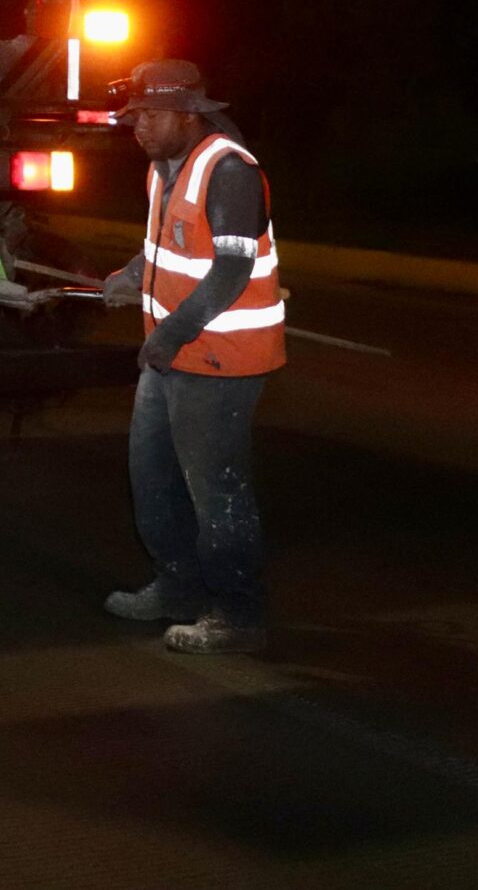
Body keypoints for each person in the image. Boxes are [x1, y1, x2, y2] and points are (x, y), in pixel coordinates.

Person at [97, 58, 285, 655]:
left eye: (151, 116)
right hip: (172, 354)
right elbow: (167, 245)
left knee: (217, 492)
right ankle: (178, 588)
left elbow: (231, 270)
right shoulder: (163, 169)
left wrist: (171, 333)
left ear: (188, 115)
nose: (139, 127)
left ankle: (237, 614)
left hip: (220, 359)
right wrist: (131, 274)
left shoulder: (229, 172)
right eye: (135, 116)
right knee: (152, 478)